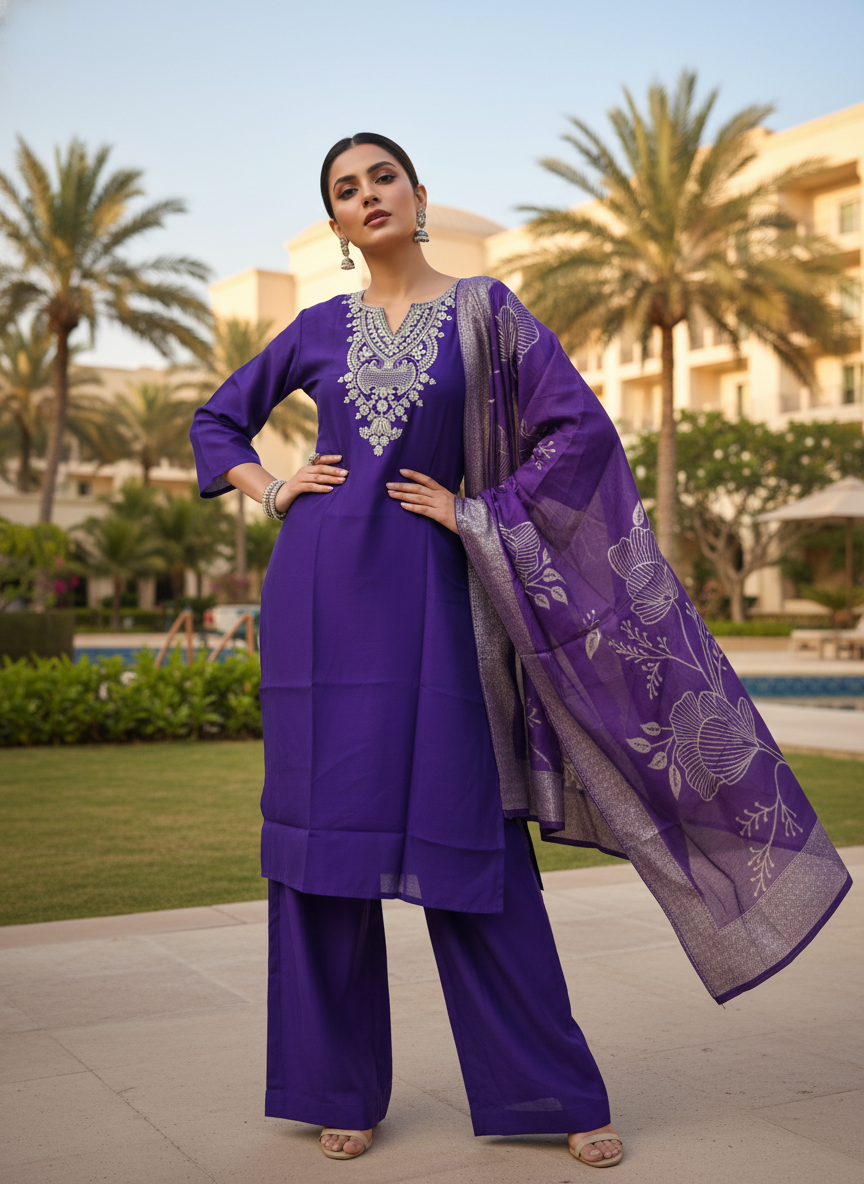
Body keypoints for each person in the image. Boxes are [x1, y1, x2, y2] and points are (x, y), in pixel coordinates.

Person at [190, 133, 850, 1165]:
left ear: (418, 193)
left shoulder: (487, 313)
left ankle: (550, 1089)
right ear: (334, 225)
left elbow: (579, 433)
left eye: (383, 178)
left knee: (473, 845)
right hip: (319, 606)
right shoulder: (318, 327)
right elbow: (215, 420)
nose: (368, 196)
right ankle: (336, 1083)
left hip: (439, 601)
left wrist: (477, 509)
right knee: (320, 846)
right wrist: (274, 489)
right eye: (345, 190)